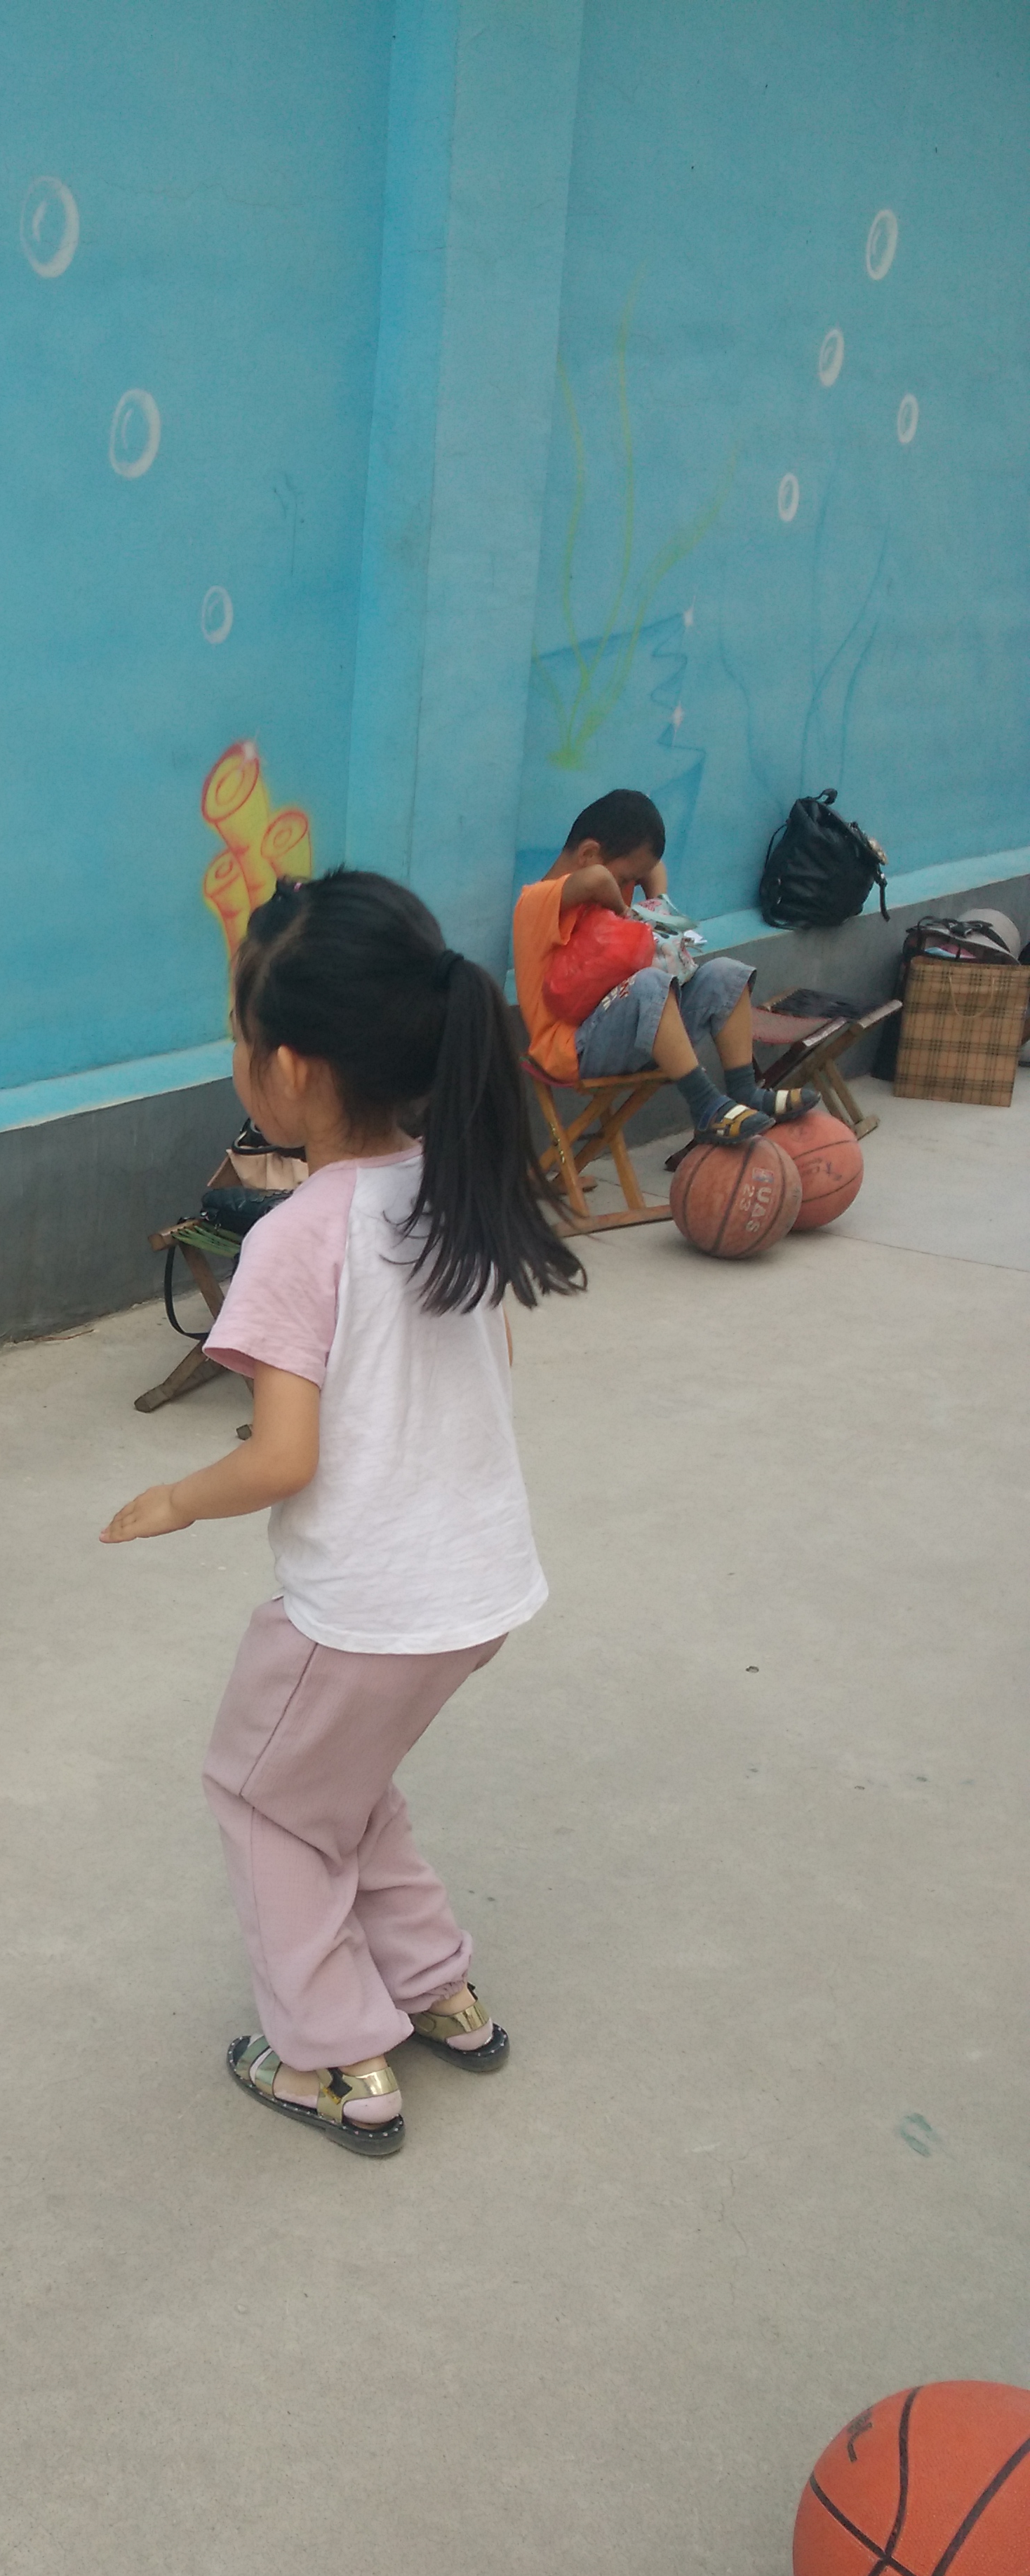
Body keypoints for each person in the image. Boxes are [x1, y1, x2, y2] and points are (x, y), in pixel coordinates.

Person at [101, 870, 582, 2157]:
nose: (236, 1056)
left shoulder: (299, 1236)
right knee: (341, 1783)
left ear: (293, 1070)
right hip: (477, 1591)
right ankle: (438, 1989)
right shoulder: (454, 1188)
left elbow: (281, 1458)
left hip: (362, 1612)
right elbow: (487, 1370)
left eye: (239, 1034)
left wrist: (174, 1499)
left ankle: (332, 2056)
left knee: (262, 1795)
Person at [512, 789, 818, 1143]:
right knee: (649, 984)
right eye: (625, 880)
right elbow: (596, 880)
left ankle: (745, 1090)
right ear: (589, 854)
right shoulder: (538, 902)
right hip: (574, 1049)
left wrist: (657, 903)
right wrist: (622, 908)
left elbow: (651, 866)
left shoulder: (611, 875)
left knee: (725, 974)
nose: (627, 887)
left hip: (638, 1030)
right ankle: (705, 1106)